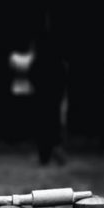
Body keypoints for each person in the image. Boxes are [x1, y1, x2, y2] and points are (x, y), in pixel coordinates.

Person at [31, 37, 69, 165]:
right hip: (49, 100)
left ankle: (48, 156)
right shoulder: (55, 62)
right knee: (50, 128)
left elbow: (32, 77)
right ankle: (48, 156)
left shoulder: (42, 61)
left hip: (47, 100)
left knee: (46, 128)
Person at [7, 42, 36, 143]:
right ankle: (16, 136)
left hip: (28, 87)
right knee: (17, 113)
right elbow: (11, 70)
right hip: (17, 87)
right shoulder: (14, 56)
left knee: (28, 113)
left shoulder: (32, 56)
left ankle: (28, 135)